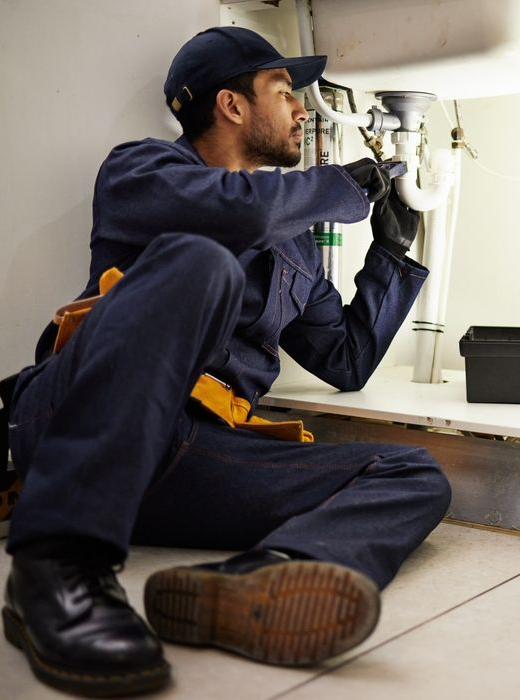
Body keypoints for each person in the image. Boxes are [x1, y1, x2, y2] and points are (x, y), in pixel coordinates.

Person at [2, 25, 451, 697]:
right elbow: (232, 217)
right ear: (231, 106)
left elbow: (347, 359)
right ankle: (56, 565)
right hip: (84, 429)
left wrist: (390, 252)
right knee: (201, 259)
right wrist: (338, 188)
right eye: (283, 92)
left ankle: (258, 578)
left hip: (195, 460)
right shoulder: (141, 171)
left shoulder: (295, 251)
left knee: (413, 472)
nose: (303, 110)